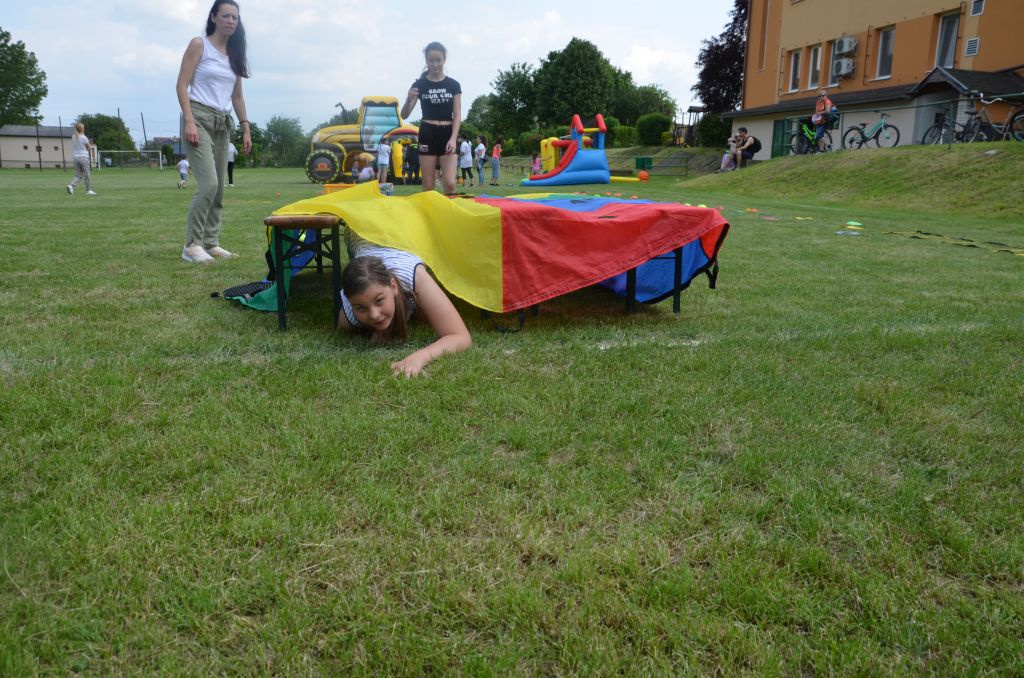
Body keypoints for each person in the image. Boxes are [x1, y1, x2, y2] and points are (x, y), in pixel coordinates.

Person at [175, 0, 252, 264]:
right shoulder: (200, 45)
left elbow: (237, 96)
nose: (231, 21)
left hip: (222, 123)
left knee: (219, 190)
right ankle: (191, 245)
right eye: (226, 16)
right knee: (209, 184)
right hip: (198, 116)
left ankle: (211, 242)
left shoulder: (235, 54)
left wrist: (245, 128)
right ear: (213, 17)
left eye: (235, 17)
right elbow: (182, 85)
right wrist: (189, 121)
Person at [338, 233, 471, 377]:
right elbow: (342, 327)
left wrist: (420, 357)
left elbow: (460, 336)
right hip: (360, 234)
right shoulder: (350, 314)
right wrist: (379, 330)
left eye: (379, 300)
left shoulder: (414, 277)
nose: (374, 315)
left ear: (393, 286)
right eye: (361, 308)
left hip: (404, 234)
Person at [401, 42, 461, 195]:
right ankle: (429, 211)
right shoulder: (419, 84)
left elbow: (457, 115)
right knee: (428, 185)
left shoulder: (454, 85)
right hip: (428, 133)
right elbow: (404, 115)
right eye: (431, 60)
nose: (435, 64)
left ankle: (449, 211)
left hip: (447, 134)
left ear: (444, 59)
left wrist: (453, 139)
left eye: (438, 60)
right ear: (426, 61)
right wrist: (408, 100)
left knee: (450, 183)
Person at [67, 123, 96, 195]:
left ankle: (71, 185)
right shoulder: (84, 137)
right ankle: (88, 190)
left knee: (78, 174)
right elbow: (89, 147)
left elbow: (78, 138)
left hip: (75, 158)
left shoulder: (73, 136)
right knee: (87, 174)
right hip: (83, 157)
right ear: (82, 129)